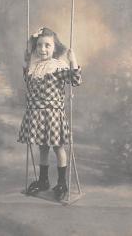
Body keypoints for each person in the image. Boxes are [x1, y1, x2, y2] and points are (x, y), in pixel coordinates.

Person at [18, 27, 81, 201]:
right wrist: (26, 60)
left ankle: (62, 182)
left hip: (52, 114)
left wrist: (72, 60)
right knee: (42, 147)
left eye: (47, 45)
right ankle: (43, 180)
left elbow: (75, 80)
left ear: (55, 48)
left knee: (58, 147)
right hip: (36, 113)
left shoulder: (57, 67)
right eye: (39, 45)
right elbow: (28, 81)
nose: (43, 49)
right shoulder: (35, 66)